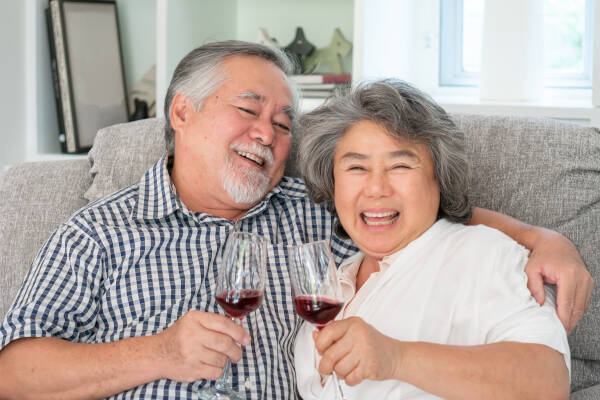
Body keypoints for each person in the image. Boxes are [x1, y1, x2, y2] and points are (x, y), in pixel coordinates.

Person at [0, 41, 591, 399]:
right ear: (182, 110)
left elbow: (406, 214)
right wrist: (158, 353)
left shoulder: (311, 211)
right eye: (248, 110)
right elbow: (14, 373)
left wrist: (541, 237)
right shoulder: (96, 233)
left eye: (284, 123)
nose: (267, 133)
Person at [294, 79, 572, 399]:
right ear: (333, 184)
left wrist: (397, 358)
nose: (376, 189)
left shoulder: (483, 253)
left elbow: (548, 384)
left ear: (438, 179)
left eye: (400, 165)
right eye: (356, 167)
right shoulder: (331, 285)